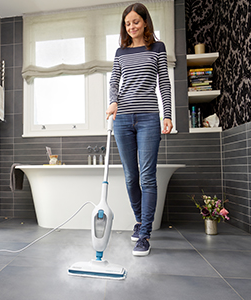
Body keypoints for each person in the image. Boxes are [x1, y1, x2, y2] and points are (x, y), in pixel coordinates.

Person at [105, 2, 173, 257]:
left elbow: (164, 84)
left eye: (135, 21)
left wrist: (167, 115)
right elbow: (114, 80)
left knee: (147, 177)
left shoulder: (157, 48)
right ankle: (140, 220)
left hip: (148, 119)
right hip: (122, 118)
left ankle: (144, 234)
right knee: (131, 177)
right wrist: (113, 101)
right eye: (127, 23)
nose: (131, 26)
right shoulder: (121, 53)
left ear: (145, 22)